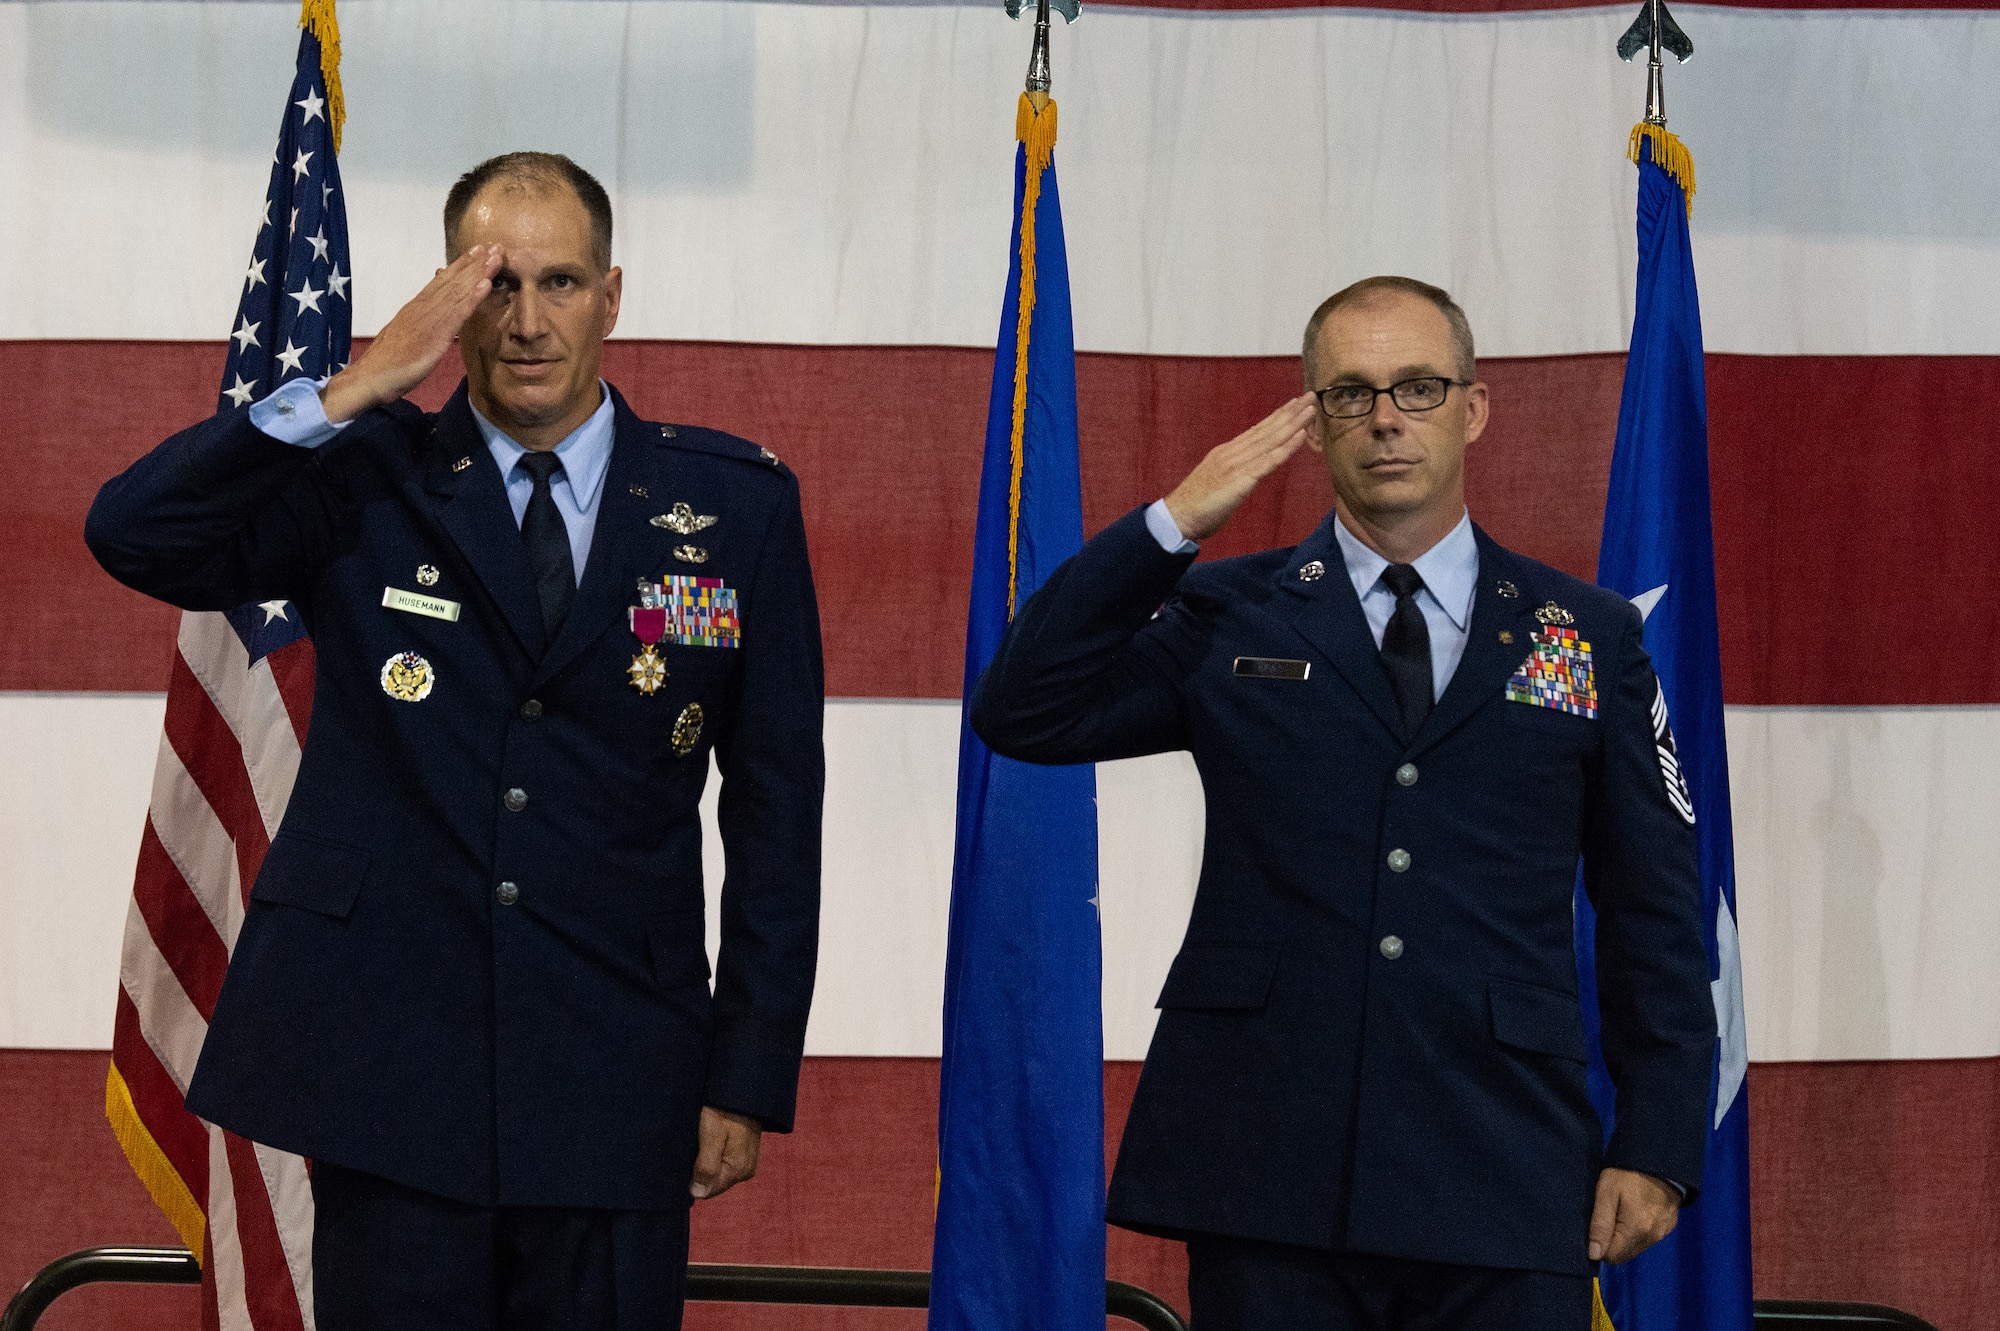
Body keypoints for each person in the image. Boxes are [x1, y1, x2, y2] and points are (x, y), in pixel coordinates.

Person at [87, 152, 824, 1331]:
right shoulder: (365, 475)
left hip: (616, 1065)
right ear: (447, 296)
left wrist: (745, 1071)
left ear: (614, 295)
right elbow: (133, 533)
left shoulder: (734, 508)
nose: (527, 323)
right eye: (494, 286)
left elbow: (778, 816)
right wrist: (354, 385)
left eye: (561, 283)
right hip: (392, 1064)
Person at [971, 276, 1714, 1329]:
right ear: (1311, 422)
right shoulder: (1227, 610)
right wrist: (1174, 521)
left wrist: (1656, 1140)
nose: (1384, 419)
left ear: (1473, 406)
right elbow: (1023, 709)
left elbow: (1655, 909)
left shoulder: (1584, 633)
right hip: (1269, 1162)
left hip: (1499, 1160)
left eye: (1416, 386)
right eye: (1349, 394)